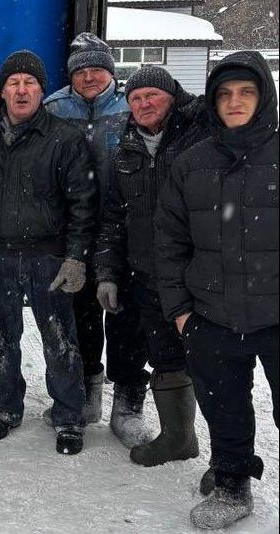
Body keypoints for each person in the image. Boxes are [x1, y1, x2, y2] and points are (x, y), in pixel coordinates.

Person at [155, 51, 278, 530]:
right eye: (225, 93)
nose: (235, 102)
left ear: (263, 96)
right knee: (224, 408)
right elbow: (169, 242)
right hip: (212, 316)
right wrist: (182, 311)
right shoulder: (190, 165)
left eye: (246, 92)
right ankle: (231, 485)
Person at [0, 50, 96, 455]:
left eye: (30, 83)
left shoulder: (64, 138)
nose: (21, 90)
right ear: (3, 90)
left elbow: (82, 204)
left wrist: (76, 257)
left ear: (43, 91)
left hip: (49, 256)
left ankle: (69, 417)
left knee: (59, 338)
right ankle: (6, 409)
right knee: (3, 337)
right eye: (13, 83)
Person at [95, 65, 209, 469]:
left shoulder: (198, 136)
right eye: (136, 98)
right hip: (143, 273)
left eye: (153, 96)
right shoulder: (124, 149)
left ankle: (229, 456)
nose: (143, 104)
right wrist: (107, 273)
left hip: (196, 275)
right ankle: (178, 437)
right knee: (163, 355)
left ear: (171, 97)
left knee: (211, 361)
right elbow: (112, 219)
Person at [44, 33, 150, 444]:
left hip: (126, 227)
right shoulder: (54, 108)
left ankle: (128, 403)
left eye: (97, 69)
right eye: (81, 71)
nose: (89, 78)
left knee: (127, 319)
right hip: (74, 228)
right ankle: (89, 388)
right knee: (82, 315)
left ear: (111, 72)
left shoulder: (132, 108)